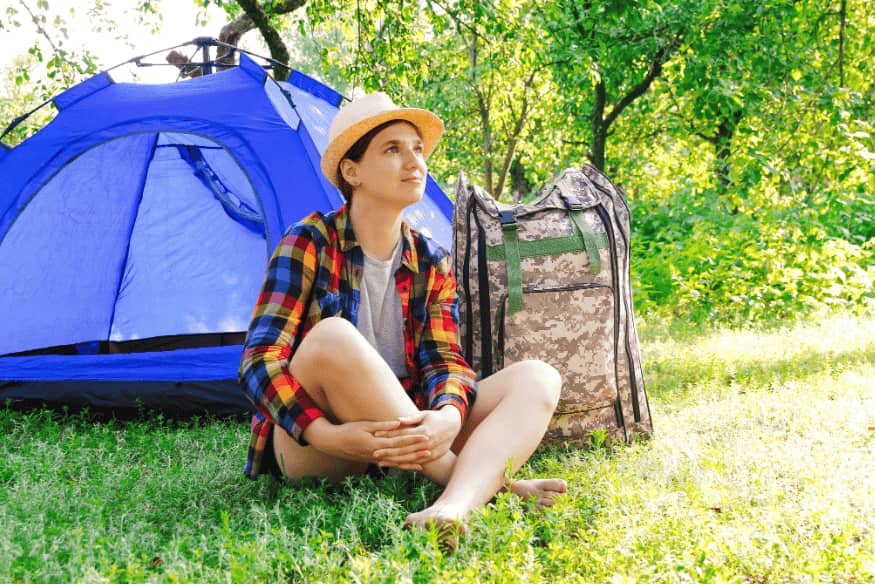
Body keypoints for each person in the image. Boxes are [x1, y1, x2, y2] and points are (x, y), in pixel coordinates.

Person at [239, 92, 566, 541]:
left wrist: (449, 416)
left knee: (539, 377)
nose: (414, 160)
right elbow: (259, 360)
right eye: (392, 149)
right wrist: (325, 436)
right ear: (351, 171)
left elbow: (445, 361)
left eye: (417, 148)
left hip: (408, 431)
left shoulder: (431, 259)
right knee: (333, 336)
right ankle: (495, 489)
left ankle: (453, 507)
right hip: (326, 443)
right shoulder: (309, 241)